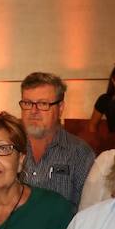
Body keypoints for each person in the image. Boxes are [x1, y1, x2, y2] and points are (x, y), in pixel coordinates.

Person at [17, 71, 96, 208]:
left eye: (43, 104)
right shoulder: (10, 147)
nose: (33, 111)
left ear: (60, 108)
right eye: (28, 103)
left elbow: (89, 210)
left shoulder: (80, 153)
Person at [87, 62, 115, 137]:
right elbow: (92, 125)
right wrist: (97, 142)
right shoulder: (105, 99)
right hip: (113, 141)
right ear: (114, 80)